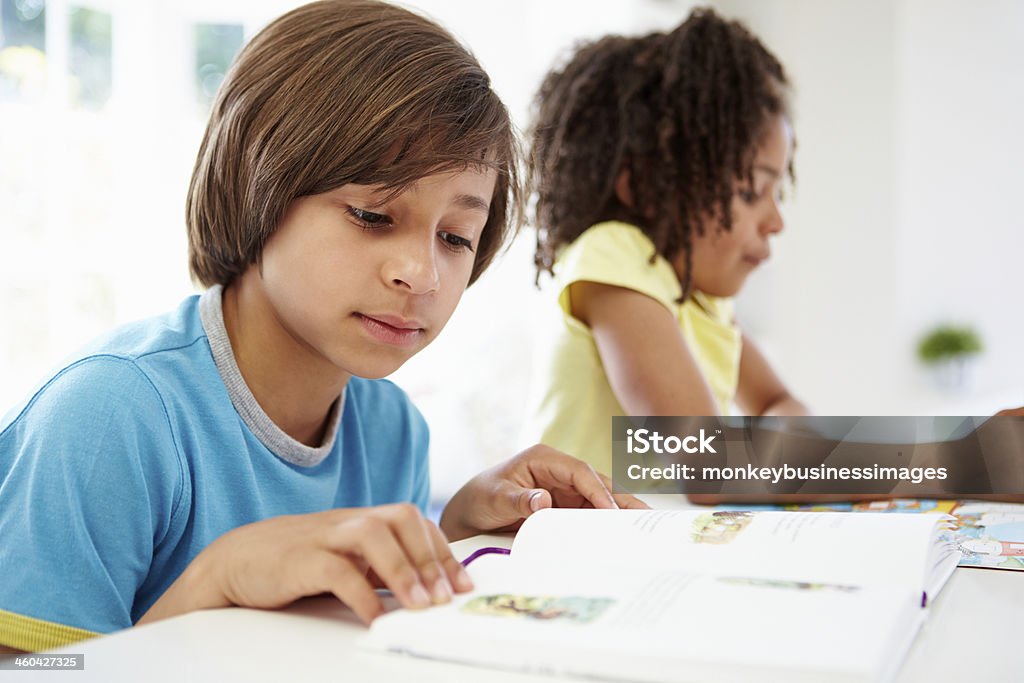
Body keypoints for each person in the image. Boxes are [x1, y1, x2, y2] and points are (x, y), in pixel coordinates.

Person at [0, 0, 643, 654]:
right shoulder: (107, 418)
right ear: (260, 180)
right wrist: (217, 579)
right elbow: (39, 671)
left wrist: (456, 528)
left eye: (456, 236)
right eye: (372, 215)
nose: (422, 273)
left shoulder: (392, 430)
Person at [525, 9, 808, 477]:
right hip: (570, 542)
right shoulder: (613, 256)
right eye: (750, 192)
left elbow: (778, 401)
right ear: (644, 185)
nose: (775, 221)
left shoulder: (699, 297)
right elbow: (709, 463)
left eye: (778, 193)